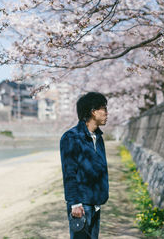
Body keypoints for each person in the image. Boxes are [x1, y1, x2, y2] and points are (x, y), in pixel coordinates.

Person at [60, 92, 109, 239]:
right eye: (104, 109)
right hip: (81, 205)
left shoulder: (98, 138)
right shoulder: (71, 137)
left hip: (96, 201)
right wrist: (74, 203)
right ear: (93, 112)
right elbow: (69, 172)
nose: (107, 113)